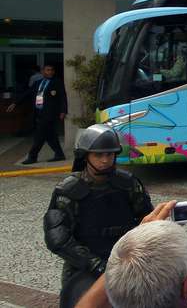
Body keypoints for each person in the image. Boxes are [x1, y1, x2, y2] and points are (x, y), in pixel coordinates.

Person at [44, 124, 153, 307]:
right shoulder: (69, 190)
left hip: (125, 264)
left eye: (109, 154)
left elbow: (148, 222)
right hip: (83, 267)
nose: (105, 160)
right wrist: (95, 264)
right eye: (98, 155)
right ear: (85, 155)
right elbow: (58, 239)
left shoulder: (128, 184)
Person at [6, 64, 67, 164]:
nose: (50, 72)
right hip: (38, 112)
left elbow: (62, 97)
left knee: (39, 135)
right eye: (47, 70)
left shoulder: (57, 83)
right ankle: (59, 154)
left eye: (52, 70)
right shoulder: (37, 83)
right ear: (43, 72)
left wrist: (63, 111)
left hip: (50, 113)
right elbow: (27, 94)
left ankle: (32, 157)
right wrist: (15, 103)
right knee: (50, 135)